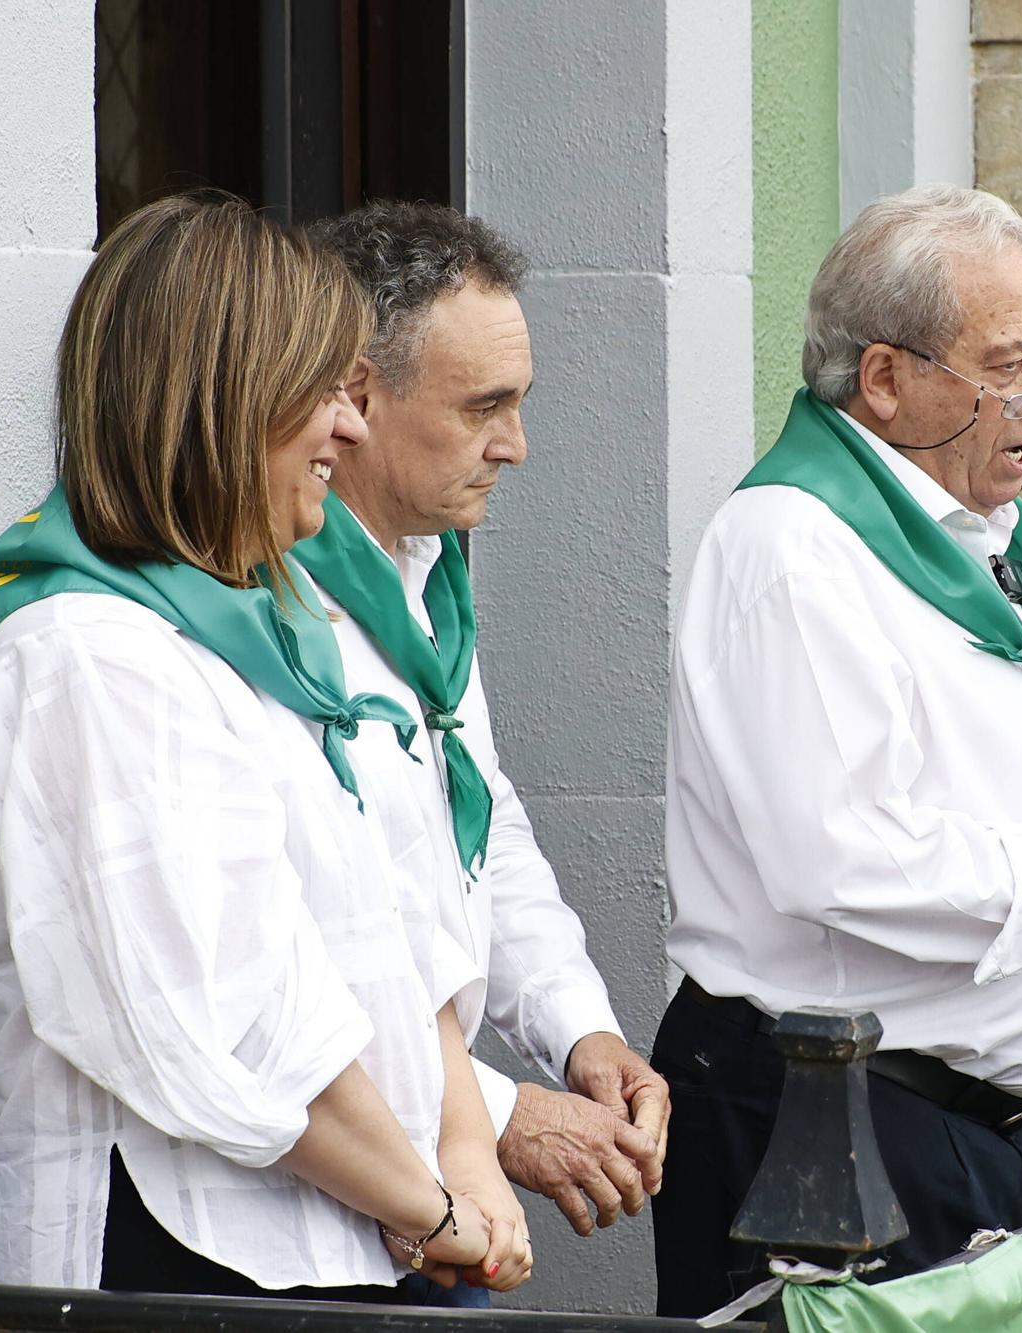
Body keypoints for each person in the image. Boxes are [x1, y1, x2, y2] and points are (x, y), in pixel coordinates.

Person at [651, 184, 1022, 1316]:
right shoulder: (796, 546)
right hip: (829, 1133)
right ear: (883, 379)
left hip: (946, 1130)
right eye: (1005, 365)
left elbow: (957, 782)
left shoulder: (979, 535)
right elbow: (832, 856)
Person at [0, 193, 531, 1297]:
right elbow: (230, 1021)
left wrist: (456, 1153)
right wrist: (432, 1208)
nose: (348, 429)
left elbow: (399, 921)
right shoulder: (89, 658)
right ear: (223, 402)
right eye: (321, 392)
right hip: (193, 1262)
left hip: (351, 1235)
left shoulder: (265, 631)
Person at [300, 203, 671, 1256]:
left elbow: (475, 822)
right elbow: (336, 934)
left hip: (434, 1191)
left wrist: (577, 1029)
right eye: (485, 407)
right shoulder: (264, 600)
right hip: (331, 1205)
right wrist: (500, 1113)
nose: (516, 445)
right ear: (358, 396)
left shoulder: (428, 573)